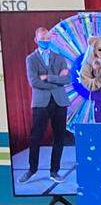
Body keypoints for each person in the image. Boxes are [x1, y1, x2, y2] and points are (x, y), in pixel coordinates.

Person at [20, 27, 71, 184]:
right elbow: (34, 82)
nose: (45, 42)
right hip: (40, 104)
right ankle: (32, 169)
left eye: (48, 39)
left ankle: (54, 171)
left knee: (59, 138)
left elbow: (67, 80)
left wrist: (47, 77)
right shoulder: (31, 59)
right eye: (42, 39)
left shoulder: (60, 58)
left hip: (60, 102)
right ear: (36, 40)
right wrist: (56, 80)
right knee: (35, 137)